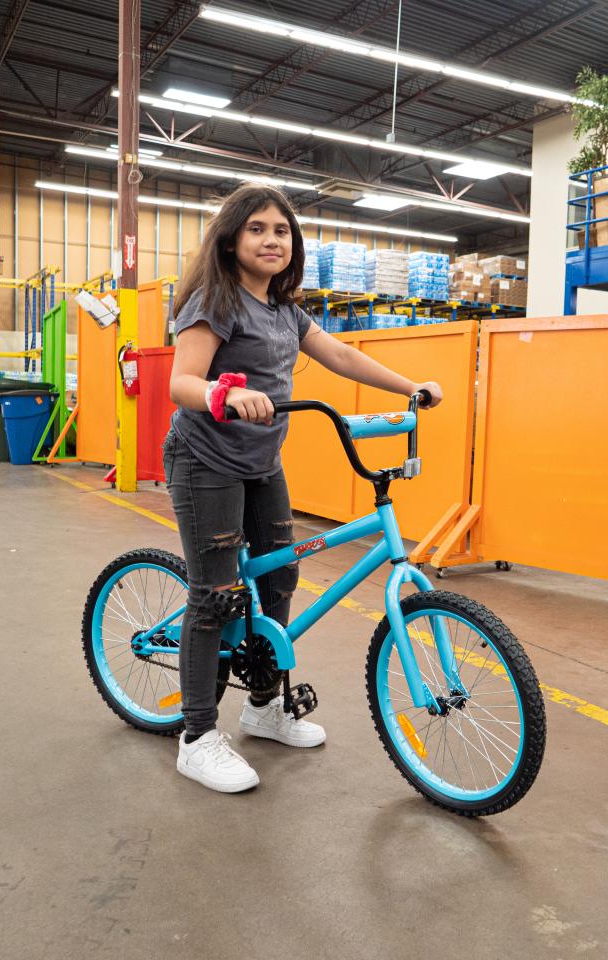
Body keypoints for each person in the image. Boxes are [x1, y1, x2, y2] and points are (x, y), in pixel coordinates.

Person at [165, 184, 444, 794]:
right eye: (258, 229)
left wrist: (408, 388)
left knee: (280, 577)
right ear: (232, 239)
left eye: (282, 231)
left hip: (261, 460)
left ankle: (262, 707)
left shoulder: (286, 311)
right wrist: (225, 393)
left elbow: (340, 354)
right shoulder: (216, 301)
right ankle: (196, 736)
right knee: (215, 594)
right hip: (205, 457)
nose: (271, 240)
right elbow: (180, 382)